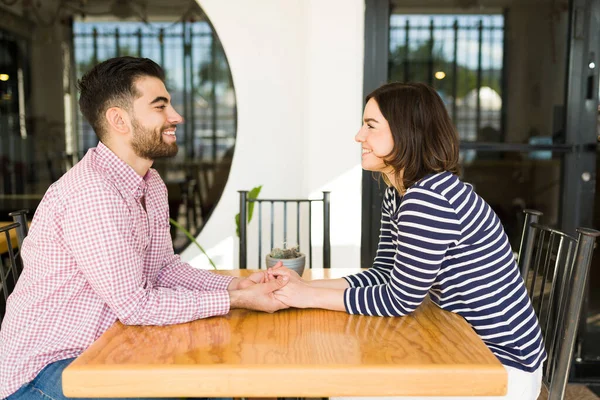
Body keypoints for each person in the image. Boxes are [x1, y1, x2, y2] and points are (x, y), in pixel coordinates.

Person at [0, 56, 288, 400]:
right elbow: (136, 306)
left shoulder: (150, 184)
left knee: (216, 376)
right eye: (160, 106)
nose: (176, 116)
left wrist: (238, 283)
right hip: (48, 372)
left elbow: (164, 269)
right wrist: (238, 299)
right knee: (206, 384)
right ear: (119, 120)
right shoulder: (93, 192)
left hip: (109, 348)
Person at [268, 82, 546, 400]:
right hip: (465, 350)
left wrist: (306, 297)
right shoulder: (399, 194)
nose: (359, 136)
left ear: (406, 132)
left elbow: (399, 301)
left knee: (350, 391)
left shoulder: (429, 199)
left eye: (371, 126)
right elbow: (384, 274)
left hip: (500, 368)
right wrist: (304, 286)